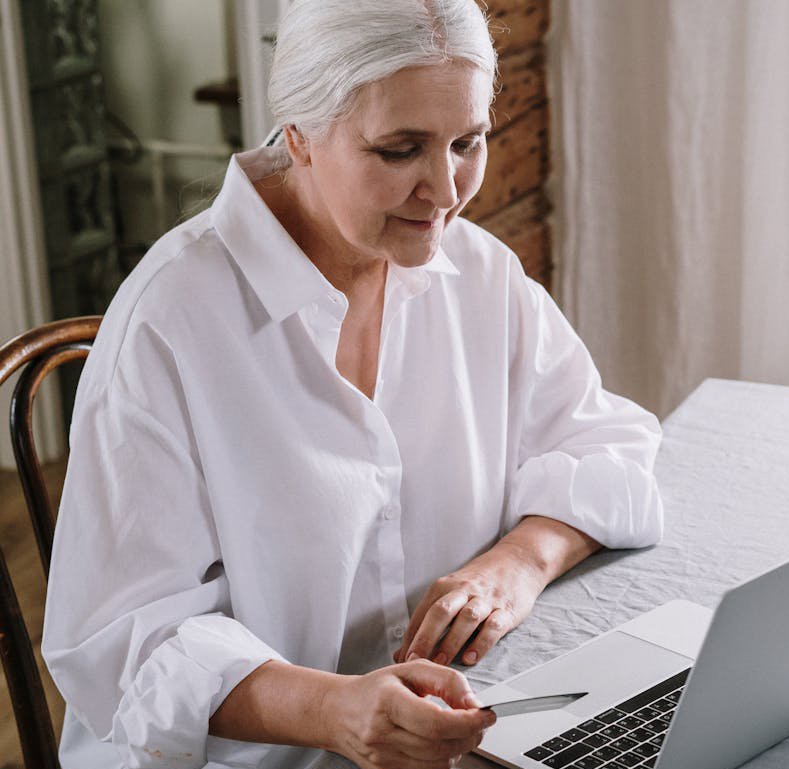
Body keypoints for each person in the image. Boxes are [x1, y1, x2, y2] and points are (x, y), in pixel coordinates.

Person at [42, 1, 663, 767]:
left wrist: (515, 564)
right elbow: (127, 647)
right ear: (298, 135)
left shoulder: (480, 273)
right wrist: (334, 709)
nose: (444, 191)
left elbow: (608, 444)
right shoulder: (169, 325)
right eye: (400, 149)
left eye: (467, 142)